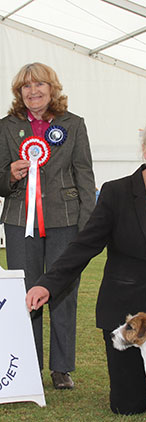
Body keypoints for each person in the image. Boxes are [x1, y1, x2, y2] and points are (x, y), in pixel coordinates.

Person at [26, 118, 146, 415]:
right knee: (129, 406)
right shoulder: (117, 192)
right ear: (144, 150)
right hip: (127, 310)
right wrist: (47, 284)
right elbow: (84, 245)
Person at [0, 62, 96, 389]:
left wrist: (87, 227)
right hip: (18, 220)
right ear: (19, 93)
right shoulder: (6, 127)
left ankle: (61, 368)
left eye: (40, 84)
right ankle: (29, 364)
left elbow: (85, 177)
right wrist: (9, 174)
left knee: (63, 292)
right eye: (26, 86)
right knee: (25, 293)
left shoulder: (75, 124)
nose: (33, 91)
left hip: (65, 220)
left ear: (52, 88)